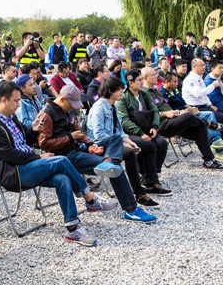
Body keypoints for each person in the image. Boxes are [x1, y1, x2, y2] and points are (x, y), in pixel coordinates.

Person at [0, 81, 113, 246]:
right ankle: (90, 198)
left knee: (62, 179)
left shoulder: (11, 117)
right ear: (3, 100)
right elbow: (9, 155)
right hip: (14, 173)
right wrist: (39, 158)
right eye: (15, 101)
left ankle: (73, 228)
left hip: (28, 167)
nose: (18, 104)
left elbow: (25, 141)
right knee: (62, 160)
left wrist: (32, 130)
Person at [37, 85, 157, 223]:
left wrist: (90, 144)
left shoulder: (67, 110)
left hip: (79, 148)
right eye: (72, 104)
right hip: (67, 157)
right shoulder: (47, 113)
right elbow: (44, 144)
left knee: (115, 138)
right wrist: (70, 138)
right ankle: (131, 209)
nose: (73, 108)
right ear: (62, 99)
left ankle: (108, 161)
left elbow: (78, 131)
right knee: (115, 169)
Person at [87, 77, 161, 208]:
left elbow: (119, 131)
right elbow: (99, 135)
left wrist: (129, 141)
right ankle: (139, 193)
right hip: (102, 144)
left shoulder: (113, 106)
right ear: (110, 90)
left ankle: (150, 182)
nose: (122, 91)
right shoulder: (99, 107)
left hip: (115, 140)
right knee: (130, 153)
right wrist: (124, 144)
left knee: (148, 146)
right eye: (120, 89)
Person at [115, 69, 173, 191]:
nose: (142, 82)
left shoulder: (145, 94)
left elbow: (155, 111)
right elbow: (124, 121)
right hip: (132, 132)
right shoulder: (123, 98)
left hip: (148, 128)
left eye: (142, 79)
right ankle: (149, 178)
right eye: (139, 80)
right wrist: (140, 133)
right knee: (147, 145)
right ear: (130, 83)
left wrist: (155, 127)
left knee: (162, 143)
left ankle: (152, 175)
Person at [160, 72, 223, 153]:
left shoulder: (174, 90)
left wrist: (190, 108)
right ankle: (215, 140)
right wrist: (184, 111)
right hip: (178, 117)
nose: (177, 84)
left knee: (210, 114)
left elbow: (183, 102)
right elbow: (169, 111)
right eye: (174, 82)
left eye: (177, 81)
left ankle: (216, 140)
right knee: (204, 123)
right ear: (167, 82)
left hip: (187, 112)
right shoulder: (162, 93)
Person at [182, 58, 223, 159]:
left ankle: (220, 141)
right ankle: (218, 146)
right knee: (222, 117)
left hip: (204, 106)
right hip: (195, 108)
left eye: (204, 65)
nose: (204, 67)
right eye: (201, 65)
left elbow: (204, 96)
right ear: (194, 67)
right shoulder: (190, 79)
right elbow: (198, 94)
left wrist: (210, 104)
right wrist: (213, 86)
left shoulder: (200, 77)